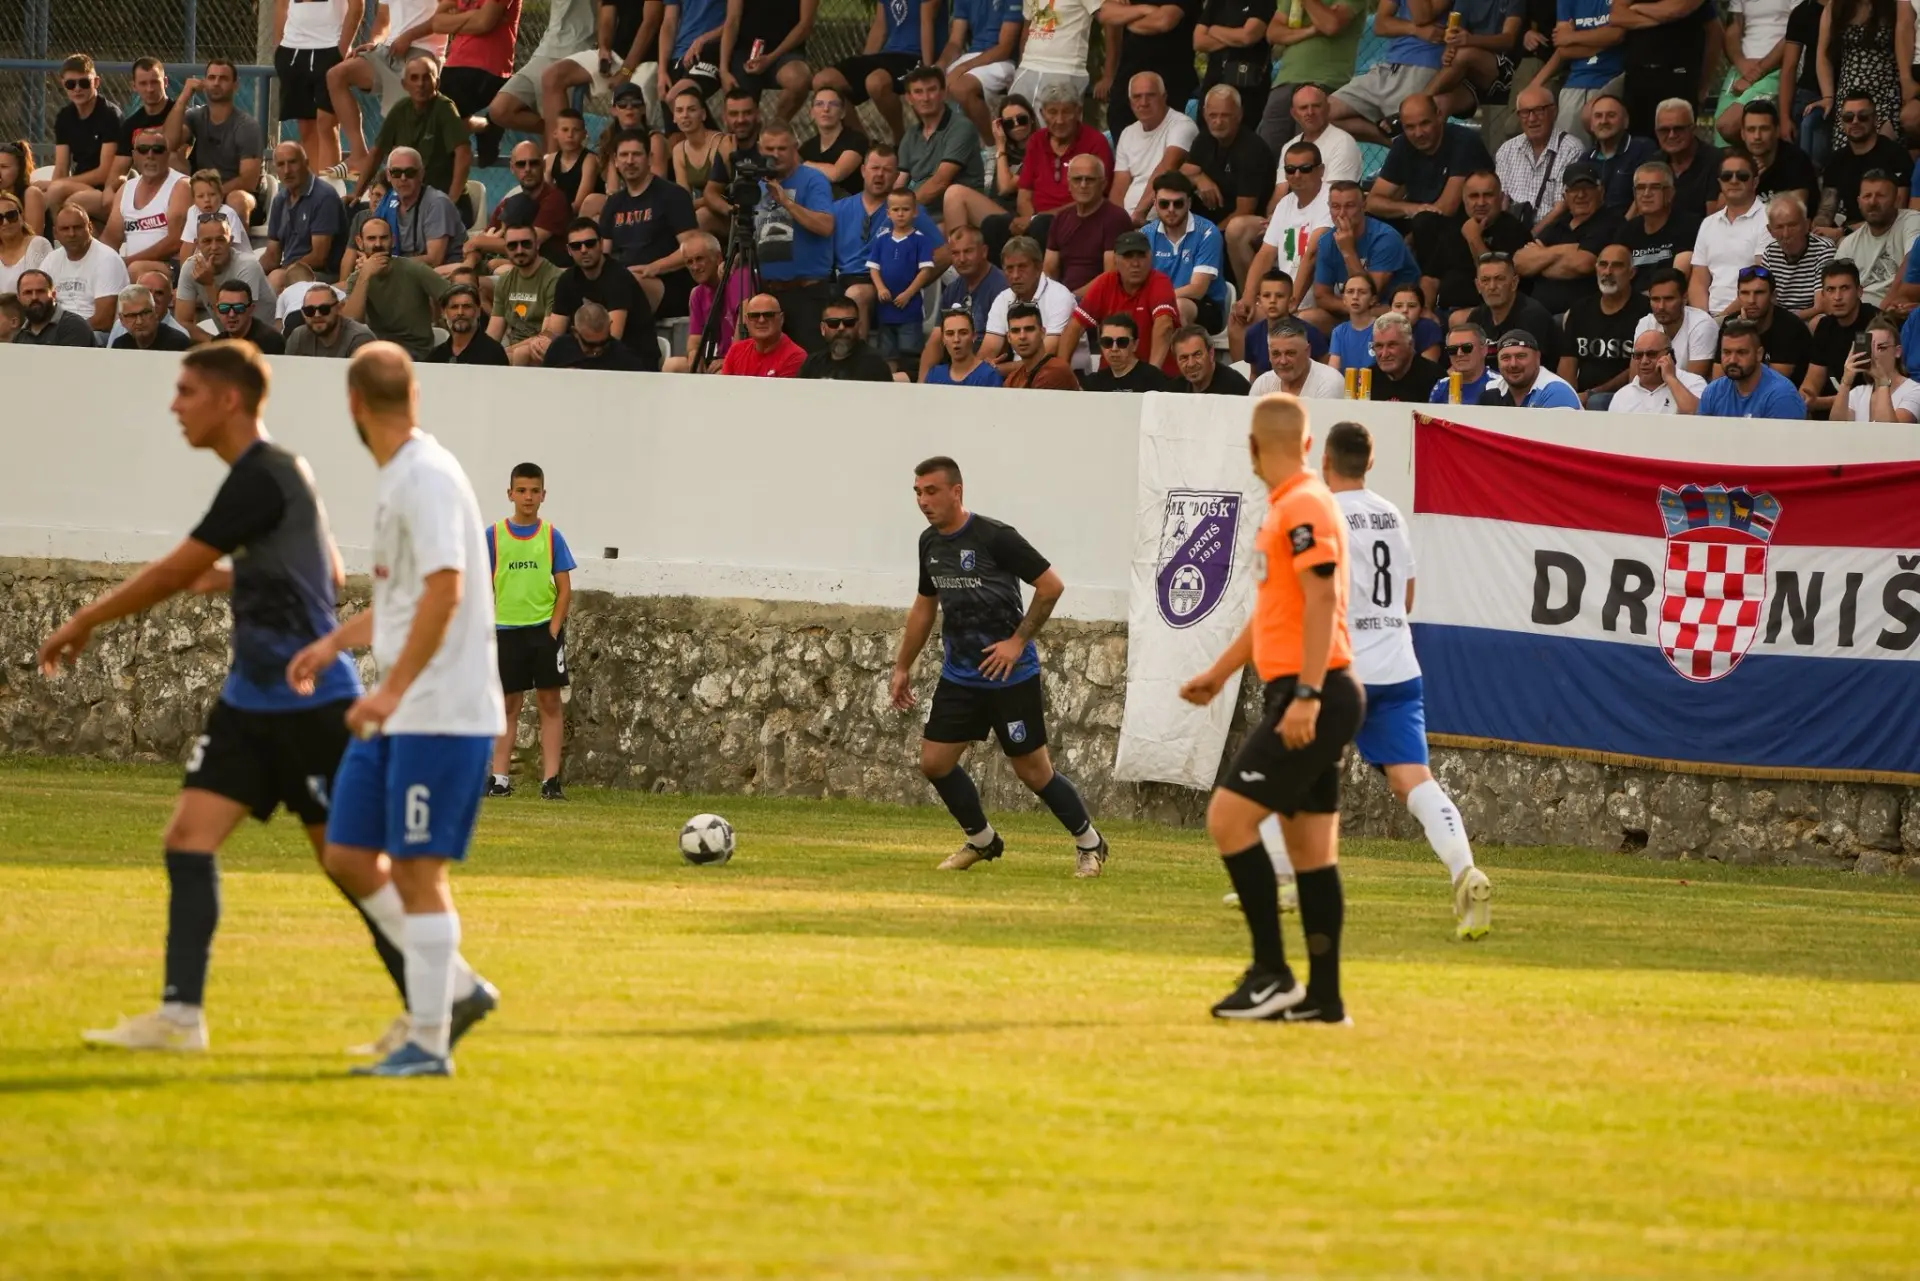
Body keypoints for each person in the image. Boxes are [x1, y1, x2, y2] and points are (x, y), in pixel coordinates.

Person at [45, 342, 429, 1057]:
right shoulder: (271, 476)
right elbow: (327, 571)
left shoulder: (263, 474)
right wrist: (241, 577)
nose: (174, 405)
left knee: (349, 864)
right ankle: (179, 1016)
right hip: (250, 703)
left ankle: (432, 1004)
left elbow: (173, 572)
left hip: (312, 704)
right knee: (187, 838)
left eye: (186, 391)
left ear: (228, 400)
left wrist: (85, 619)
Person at [283, 344, 504, 1078]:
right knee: (347, 852)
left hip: (439, 709)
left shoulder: (427, 476)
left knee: (416, 869)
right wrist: (332, 643)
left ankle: (429, 1043)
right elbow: (404, 600)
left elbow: (446, 589)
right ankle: (458, 987)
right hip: (404, 709)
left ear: (354, 404)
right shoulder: (402, 476)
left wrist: (389, 689)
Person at [1178, 394, 1357, 1022]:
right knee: (1311, 854)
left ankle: (1271, 974)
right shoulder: (1286, 506)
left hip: (1316, 692)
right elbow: (1273, 615)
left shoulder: (1304, 503)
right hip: (1312, 689)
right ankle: (1324, 1000)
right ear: (1307, 444)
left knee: (1228, 820)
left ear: (1252, 449)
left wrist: (1306, 694)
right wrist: (1218, 674)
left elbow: (1323, 597)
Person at [889, 456, 1108, 875]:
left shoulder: (995, 537)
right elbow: (924, 606)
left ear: (956, 491)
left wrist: (1016, 642)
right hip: (960, 676)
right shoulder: (929, 543)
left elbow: (1051, 586)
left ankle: (1090, 843)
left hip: (1010, 676)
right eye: (917, 492)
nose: (923, 501)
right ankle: (982, 840)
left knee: (1034, 773)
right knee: (934, 763)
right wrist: (902, 666)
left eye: (931, 491)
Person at [1319, 420, 1490, 937]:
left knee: (1301, 770)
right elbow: (1406, 597)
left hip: (1346, 669)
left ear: (1325, 462)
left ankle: (1282, 881)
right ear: (1370, 462)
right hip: (1398, 668)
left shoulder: (1324, 513)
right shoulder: (1390, 513)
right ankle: (1465, 871)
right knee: (1414, 781)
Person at [479, 461, 576, 801]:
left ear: (543, 495)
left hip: (543, 631)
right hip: (507, 630)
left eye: (534, 491)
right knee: (508, 703)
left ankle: (551, 780)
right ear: (510, 494)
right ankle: (499, 778)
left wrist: (553, 630)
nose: (528, 497)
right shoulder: (494, 536)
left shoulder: (551, 535)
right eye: (521, 490)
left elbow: (564, 589)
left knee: (549, 701)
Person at [326, 0, 451, 183]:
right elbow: (382, 20)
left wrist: (409, 36)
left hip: (423, 53)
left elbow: (446, 17)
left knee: (403, 143)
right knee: (336, 75)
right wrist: (374, 42)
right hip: (388, 49)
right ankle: (359, 157)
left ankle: (405, 184)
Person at [742, 120, 836, 350]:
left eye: (782, 148)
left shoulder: (813, 179)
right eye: (769, 149)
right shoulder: (758, 185)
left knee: (809, 362)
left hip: (806, 292)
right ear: (760, 149)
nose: (775, 155)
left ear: (795, 148)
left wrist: (786, 202)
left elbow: (825, 226)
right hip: (768, 293)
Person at [1364, 94, 1494, 253]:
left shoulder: (1464, 141)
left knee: (1424, 222)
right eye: (1410, 127)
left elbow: (1446, 208)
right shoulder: (1402, 145)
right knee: (1367, 218)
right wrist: (1410, 208)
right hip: (1421, 218)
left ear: (1439, 116)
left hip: (1462, 225)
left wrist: (1413, 232)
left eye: (1425, 123)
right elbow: (1373, 202)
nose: (1418, 133)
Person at [599, 128, 700, 320]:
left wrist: (653, 267)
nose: (630, 161)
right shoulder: (613, 203)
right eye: (624, 155)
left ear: (649, 158)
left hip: (665, 283)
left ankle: (611, 338)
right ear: (615, 161)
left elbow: (693, 249)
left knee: (624, 283)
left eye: (636, 154)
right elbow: (603, 253)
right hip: (622, 279)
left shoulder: (673, 195)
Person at [811, 0, 938, 141]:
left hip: (915, 55)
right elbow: (880, 26)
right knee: (823, 80)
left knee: (876, 82)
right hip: (888, 54)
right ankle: (862, 144)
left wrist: (928, 69)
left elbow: (927, 22)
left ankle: (900, 139)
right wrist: (863, 65)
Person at [1187, 86, 1277, 279]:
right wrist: (1198, 177)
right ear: (1204, 113)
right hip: (1207, 222)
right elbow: (1183, 171)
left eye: (1225, 115)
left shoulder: (1252, 150)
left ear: (1239, 115)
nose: (1218, 122)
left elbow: (1245, 210)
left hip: (1241, 226)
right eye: (1213, 115)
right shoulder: (1204, 138)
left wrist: (1206, 238)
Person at [1326, 0, 1445, 146]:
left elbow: (1422, 17)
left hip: (1422, 65)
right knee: (1326, 113)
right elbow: (1380, 25)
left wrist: (1408, 26)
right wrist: (1415, 29)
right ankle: (1398, 144)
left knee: (1415, 127)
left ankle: (1404, 145)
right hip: (1389, 66)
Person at [164, 61, 267, 224]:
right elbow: (169, 143)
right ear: (204, 82)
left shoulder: (247, 126)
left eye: (223, 78)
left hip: (239, 194)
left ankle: (238, 242)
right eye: (211, 78)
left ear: (235, 85)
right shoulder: (195, 116)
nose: (217, 83)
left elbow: (248, 181)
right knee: (171, 158)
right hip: (202, 192)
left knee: (237, 200)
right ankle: (177, 240)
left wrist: (210, 195)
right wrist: (183, 97)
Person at [1062, 229, 1180, 373]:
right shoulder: (1105, 283)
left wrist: (1152, 374)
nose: (1135, 263)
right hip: (1112, 377)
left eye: (1141, 256)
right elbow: (1074, 327)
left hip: (1157, 378)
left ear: (1150, 257)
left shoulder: (1160, 282)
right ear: (1115, 260)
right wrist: (1062, 371)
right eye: (1128, 256)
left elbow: (1164, 325)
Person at [364, 58, 472, 211]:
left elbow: (464, 154)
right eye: (414, 78)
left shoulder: (445, 108)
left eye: (426, 77)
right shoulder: (400, 109)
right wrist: (357, 193)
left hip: (443, 202)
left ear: (437, 82)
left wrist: (450, 202)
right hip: (411, 203)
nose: (420, 84)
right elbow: (377, 152)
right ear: (404, 84)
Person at [551, 215, 658, 366]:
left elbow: (611, 339)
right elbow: (554, 331)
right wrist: (540, 342)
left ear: (601, 244)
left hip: (633, 360)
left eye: (590, 244)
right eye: (576, 246)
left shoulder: (619, 278)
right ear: (569, 250)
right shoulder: (567, 280)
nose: (584, 250)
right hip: (591, 354)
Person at [341, 216, 454, 357]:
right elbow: (352, 322)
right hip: (375, 348)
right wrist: (365, 276)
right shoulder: (356, 279)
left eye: (384, 238)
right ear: (359, 242)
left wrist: (439, 319)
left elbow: (453, 296)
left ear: (393, 240)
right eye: (371, 238)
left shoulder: (414, 269)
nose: (378, 244)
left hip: (416, 350)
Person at [488, 0, 598, 145]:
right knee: (500, 110)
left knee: (554, 144)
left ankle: (563, 136)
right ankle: (563, 131)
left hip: (576, 52)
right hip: (545, 51)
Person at [1308, 180, 1419, 323]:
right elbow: (1322, 297)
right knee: (1309, 318)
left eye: (1350, 206)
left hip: (1394, 311)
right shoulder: (1326, 241)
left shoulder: (1385, 238)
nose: (1342, 213)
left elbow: (1368, 293)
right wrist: (1355, 309)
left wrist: (1348, 251)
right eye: (1335, 206)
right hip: (1360, 311)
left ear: (1363, 205)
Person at [1559, 241, 1649, 406]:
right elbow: (1567, 363)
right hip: (1583, 397)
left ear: (1631, 273)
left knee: (1597, 402)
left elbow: (1639, 368)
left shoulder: (1646, 311)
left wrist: (1592, 393)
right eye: (1603, 265)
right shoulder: (1580, 310)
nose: (1608, 272)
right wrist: (1569, 399)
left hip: (1626, 397)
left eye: (1617, 266)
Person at [1429, 168, 1529, 312]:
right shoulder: (1452, 228)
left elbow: (1493, 281)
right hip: (1443, 311)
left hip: (1487, 312)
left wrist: (1474, 237)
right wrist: (1426, 311)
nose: (1481, 202)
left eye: (1488, 195)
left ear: (1501, 198)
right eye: (1474, 196)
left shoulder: (1515, 231)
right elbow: (1431, 278)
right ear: (1464, 199)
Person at [38, 55, 123, 223]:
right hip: (78, 185)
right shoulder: (64, 116)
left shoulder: (109, 115)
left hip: (108, 190)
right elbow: (61, 167)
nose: (77, 89)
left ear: (96, 82)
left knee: (65, 197)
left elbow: (104, 173)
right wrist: (55, 185)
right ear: (63, 84)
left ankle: (58, 234)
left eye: (84, 83)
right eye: (71, 84)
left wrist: (58, 185)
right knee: (34, 194)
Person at [1099, 0, 1201, 139]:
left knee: (1164, 141)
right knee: (1124, 136)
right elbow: (1105, 13)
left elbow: (1163, 21)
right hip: (1126, 84)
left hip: (1170, 85)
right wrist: (1145, 9)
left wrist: (1124, 18)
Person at [1815, 0, 1904, 159]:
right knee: (1847, 157)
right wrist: (1827, 96)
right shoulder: (1836, 6)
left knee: (1883, 156)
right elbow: (1823, 55)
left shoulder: (1894, 5)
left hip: (1887, 94)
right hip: (1850, 97)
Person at [1110, 73, 1202, 226]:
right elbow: (1119, 186)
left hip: (1160, 221)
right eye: (1137, 97)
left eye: (1150, 95)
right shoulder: (1128, 133)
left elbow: (1167, 167)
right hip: (1128, 223)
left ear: (1164, 97)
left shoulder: (1182, 125)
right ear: (1130, 102)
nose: (1143, 102)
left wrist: (1139, 214)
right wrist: (1115, 222)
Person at [918, 224, 1008, 378]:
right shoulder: (952, 290)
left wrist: (966, 379)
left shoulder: (1002, 287)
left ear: (984, 252)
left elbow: (995, 347)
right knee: (897, 378)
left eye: (968, 251)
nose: (962, 259)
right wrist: (922, 383)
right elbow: (935, 340)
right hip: (954, 371)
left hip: (986, 374)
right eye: (955, 253)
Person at [1144, 172, 1231, 330]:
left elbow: (1197, 289)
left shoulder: (1207, 232)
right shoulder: (1146, 234)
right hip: (1155, 303)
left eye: (1178, 204)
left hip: (1203, 305)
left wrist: (1155, 299)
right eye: (1164, 204)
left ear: (1189, 203)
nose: (1171, 210)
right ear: (1155, 204)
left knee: (1176, 308)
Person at [898, 66, 988, 215]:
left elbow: (940, 182)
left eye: (932, 90)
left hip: (957, 213)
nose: (926, 98)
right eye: (918, 92)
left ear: (943, 93)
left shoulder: (961, 127)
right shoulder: (911, 134)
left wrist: (902, 209)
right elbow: (899, 182)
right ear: (909, 98)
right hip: (919, 213)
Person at [867, 189, 940, 367]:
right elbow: (873, 268)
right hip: (885, 310)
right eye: (896, 209)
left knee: (910, 355)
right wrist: (880, 288)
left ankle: (909, 380)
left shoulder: (921, 240)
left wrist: (908, 294)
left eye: (905, 209)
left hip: (910, 311)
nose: (900, 214)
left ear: (915, 212)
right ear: (888, 213)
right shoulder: (881, 240)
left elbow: (925, 271)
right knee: (887, 356)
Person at [471, 141, 573, 269]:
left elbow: (529, 244)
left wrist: (479, 242)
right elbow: (482, 240)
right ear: (512, 168)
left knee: (498, 267)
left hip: (548, 268)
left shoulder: (555, 199)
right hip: (511, 265)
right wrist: (470, 261)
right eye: (521, 164)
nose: (527, 169)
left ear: (543, 165)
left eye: (533, 163)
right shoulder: (509, 202)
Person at [1041, 155, 1136, 293]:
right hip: (1063, 298)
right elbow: (1049, 269)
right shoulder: (1061, 218)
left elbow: (1110, 276)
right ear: (1069, 184)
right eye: (1077, 179)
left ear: (1103, 184)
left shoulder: (1116, 218)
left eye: (1090, 179)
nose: (1083, 185)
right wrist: (1055, 298)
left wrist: (1072, 298)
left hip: (1099, 299)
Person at [1495, 86, 1582, 234]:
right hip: (1511, 231)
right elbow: (1501, 200)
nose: (1532, 119)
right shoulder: (1507, 149)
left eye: (1539, 110)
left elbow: (1561, 208)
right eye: (1525, 112)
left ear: (1553, 112)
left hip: (1552, 233)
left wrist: (1530, 237)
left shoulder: (1571, 149)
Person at [261, 144, 349, 290]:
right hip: (289, 269)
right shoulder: (280, 199)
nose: (287, 170)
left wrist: (284, 271)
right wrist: (252, 272)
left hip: (321, 274)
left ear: (306, 163)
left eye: (292, 162)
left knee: (277, 279)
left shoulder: (324, 197)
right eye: (281, 164)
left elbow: (318, 257)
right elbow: (272, 255)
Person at [1818, 96, 1910, 230]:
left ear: (1875, 119)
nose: (1855, 121)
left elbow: (1896, 215)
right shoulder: (1837, 160)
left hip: (1887, 232)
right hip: (1849, 233)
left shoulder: (1895, 155)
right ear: (1842, 123)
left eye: (1863, 116)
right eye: (1848, 117)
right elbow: (1826, 211)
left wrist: (1844, 232)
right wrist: (1818, 232)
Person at [1711, 0, 1796, 145]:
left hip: (1777, 68)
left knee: (1729, 125)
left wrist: (1757, 71)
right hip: (1742, 68)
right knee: (1721, 138)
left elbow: (1797, 30)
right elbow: (1734, 27)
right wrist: (1740, 62)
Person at [980, 236, 1077, 362]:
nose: (1015, 275)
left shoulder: (1060, 297)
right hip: (1018, 372)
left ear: (1038, 268)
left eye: (1022, 267)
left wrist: (998, 369)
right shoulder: (1002, 299)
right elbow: (989, 350)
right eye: (1009, 268)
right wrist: (981, 369)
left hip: (1060, 371)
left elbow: (1045, 356)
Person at [941, 0, 1026, 143]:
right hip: (971, 55)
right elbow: (955, 42)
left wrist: (962, 68)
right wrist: (937, 68)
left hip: (1001, 60)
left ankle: (992, 145)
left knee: (960, 88)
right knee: (930, 85)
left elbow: (1004, 48)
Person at [106, 128, 190, 269]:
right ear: (134, 155)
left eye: (157, 150)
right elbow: (110, 239)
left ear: (167, 155)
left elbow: (175, 241)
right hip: (132, 268)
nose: (150, 155)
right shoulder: (125, 189)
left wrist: (127, 262)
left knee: (135, 269)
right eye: (143, 150)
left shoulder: (181, 186)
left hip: (170, 266)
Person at [724, 0, 819, 124]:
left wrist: (771, 58)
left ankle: (776, 128)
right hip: (747, 50)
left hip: (786, 50)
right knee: (740, 107)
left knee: (799, 80)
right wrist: (723, 70)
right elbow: (732, 21)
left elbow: (805, 25)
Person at [1802, 260, 1878, 414]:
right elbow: (1812, 380)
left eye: (1844, 288)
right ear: (1823, 295)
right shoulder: (1825, 326)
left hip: (1868, 414)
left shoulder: (1875, 324)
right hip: (1828, 415)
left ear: (1859, 292)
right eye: (1830, 289)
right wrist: (1804, 398)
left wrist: (1820, 403)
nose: (1837, 297)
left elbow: (1872, 391)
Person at [1835, 171, 1920, 305]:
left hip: (1893, 310)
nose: (1872, 202)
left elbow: (1912, 262)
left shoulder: (1913, 221)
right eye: (1867, 196)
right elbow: (1836, 286)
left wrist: (1883, 311)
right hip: (1856, 311)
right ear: (1859, 202)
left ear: (1897, 200)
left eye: (1880, 196)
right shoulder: (1849, 243)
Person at [1463, 250, 1561, 367]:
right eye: (1485, 280)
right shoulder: (1477, 317)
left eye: (1499, 279)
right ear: (1478, 286)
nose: (1492, 286)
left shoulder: (1532, 317)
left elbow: (1529, 369)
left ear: (1514, 283)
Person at [44, 202, 130, 334]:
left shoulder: (107, 259)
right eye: (65, 229)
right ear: (55, 233)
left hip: (95, 334)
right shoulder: (51, 260)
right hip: (57, 332)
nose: (71, 234)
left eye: (77, 227)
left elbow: (103, 321)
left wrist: (63, 333)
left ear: (90, 228)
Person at [1697, 316, 1808, 416]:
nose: (1732, 360)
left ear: (1759, 354)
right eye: (1727, 352)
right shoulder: (1713, 392)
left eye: (1741, 352)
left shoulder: (1781, 395)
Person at [381, 146, 469, 268]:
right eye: (396, 172)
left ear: (421, 174)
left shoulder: (437, 203)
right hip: (402, 268)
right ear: (388, 175)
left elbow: (434, 259)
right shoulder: (388, 201)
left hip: (443, 271)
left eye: (410, 172)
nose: (403, 178)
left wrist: (387, 264)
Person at [489, 225, 565, 365]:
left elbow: (547, 335)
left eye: (526, 244)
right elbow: (493, 334)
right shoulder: (505, 280)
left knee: (521, 353)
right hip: (513, 351)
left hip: (542, 351)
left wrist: (503, 353)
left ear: (537, 244)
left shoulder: (554, 279)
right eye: (512, 245)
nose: (519, 250)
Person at [1619, 160, 1697, 292]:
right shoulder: (1627, 230)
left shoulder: (1690, 226)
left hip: (1667, 299)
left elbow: (1680, 279)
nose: (1646, 194)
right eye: (1640, 188)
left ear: (1670, 193)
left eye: (1655, 187)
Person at [1731, 263, 1812, 384]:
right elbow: (1719, 380)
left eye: (1759, 293)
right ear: (1738, 296)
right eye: (1745, 293)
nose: (1751, 300)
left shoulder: (1790, 327)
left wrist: (1747, 335)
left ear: (1773, 296)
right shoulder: (1730, 324)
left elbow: (1772, 384)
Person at [1635, 264, 1720, 374]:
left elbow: (1695, 380)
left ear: (1684, 298)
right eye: (1655, 299)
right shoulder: (1645, 323)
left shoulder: (1702, 325)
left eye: (1669, 299)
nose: (1661, 306)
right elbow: (1636, 377)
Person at [1755, 193, 1829, 318]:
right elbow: (1766, 300)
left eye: (1792, 225)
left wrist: (1786, 322)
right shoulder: (1770, 252)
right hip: (1780, 320)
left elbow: (1820, 306)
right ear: (1770, 231)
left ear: (1807, 225)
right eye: (1779, 227)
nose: (1786, 234)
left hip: (1809, 320)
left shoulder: (1823, 250)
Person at [1241, 267, 1328, 373]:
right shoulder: (1252, 334)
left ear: (1291, 302)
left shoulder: (1309, 333)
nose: (1272, 301)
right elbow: (1254, 374)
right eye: (1267, 295)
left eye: (1279, 296)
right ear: (1259, 301)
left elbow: (1325, 370)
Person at [1832, 316, 1920, 419]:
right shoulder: (1858, 393)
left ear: (1897, 352)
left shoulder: (1914, 390)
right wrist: (1845, 383)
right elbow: (1836, 425)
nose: (1874, 354)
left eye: (1881, 347)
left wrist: (1882, 381)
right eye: (1870, 348)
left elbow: (1889, 428)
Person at [1585, 93, 1657, 216]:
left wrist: (1623, 226)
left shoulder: (1642, 149)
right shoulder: (1585, 159)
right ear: (1591, 125)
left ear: (1626, 121)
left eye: (1611, 115)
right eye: (1598, 116)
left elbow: (1645, 197)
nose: (1604, 121)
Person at [801, 294, 898, 380]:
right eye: (833, 323)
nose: (841, 328)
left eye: (849, 322)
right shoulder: (812, 364)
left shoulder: (875, 364)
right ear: (823, 328)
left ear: (859, 326)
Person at [1653, 98, 1722, 220]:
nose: (1671, 135)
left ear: (1693, 129)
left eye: (1678, 129)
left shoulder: (1716, 161)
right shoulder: (1653, 163)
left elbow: (1713, 220)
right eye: (1664, 130)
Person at [799, 84, 871, 198]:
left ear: (842, 113)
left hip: (852, 204)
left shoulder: (856, 140)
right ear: (812, 113)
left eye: (833, 104)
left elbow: (836, 174)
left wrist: (802, 165)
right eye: (819, 104)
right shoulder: (807, 147)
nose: (826, 109)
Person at [1479, 329, 1583, 405]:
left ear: (1537, 357)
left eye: (1521, 356)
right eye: (1505, 358)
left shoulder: (1557, 391)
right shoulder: (1491, 389)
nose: (1513, 364)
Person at [1612, 327, 1705, 411]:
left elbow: (1698, 415)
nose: (1644, 361)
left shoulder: (1693, 382)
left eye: (1652, 354)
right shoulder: (1621, 396)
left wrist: (1671, 378)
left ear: (1670, 355)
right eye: (1638, 355)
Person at [119, 57, 184, 177]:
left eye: (155, 82)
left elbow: (172, 147)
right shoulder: (130, 125)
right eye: (143, 83)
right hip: (145, 183)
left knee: (172, 157)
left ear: (165, 82)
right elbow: (118, 171)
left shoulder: (183, 115)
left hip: (179, 182)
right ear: (134, 86)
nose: (150, 89)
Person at [1251, 319, 1347, 396]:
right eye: (1276, 354)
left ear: (1307, 352)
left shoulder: (1329, 383)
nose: (1283, 361)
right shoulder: (1262, 384)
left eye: (1290, 353)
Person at [543, 299, 650, 368]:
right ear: (575, 332)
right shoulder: (559, 349)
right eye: (590, 345)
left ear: (609, 327)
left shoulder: (625, 358)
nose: (597, 350)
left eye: (604, 342)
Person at [1361, 310, 1444, 399]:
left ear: (1410, 344)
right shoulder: (1367, 379)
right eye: (1379, 346)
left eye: (1392, 345)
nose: (1384, 354)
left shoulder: (1436, 380)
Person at [1078, 313, 1170, 390]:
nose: (1114, 348)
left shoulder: (1154, 380)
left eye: (1122, 342)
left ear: (1135, 345)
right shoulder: (1093, 383)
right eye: (1107, 342)